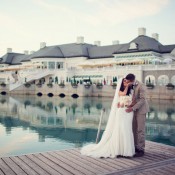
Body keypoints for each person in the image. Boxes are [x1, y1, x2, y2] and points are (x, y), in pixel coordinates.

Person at [81, 77, 135, 158]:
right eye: (124, 83)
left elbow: (133, 100)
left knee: (127, 129)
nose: (125, 84)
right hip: (121, 112)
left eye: (126, 82)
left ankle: (126, 151)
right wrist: (128, 86)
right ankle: (119, 149)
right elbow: (123, 94)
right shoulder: (120, 91)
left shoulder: (131, 91)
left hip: (129, 112)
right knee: (121, 129)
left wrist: (130, 105)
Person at [125, 73, 149, 157]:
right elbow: (135, 98)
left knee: (140, 130)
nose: (127, 83)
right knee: (134, 129)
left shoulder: (141, 86)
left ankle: (141, 150)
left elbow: (142, 100)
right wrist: (130, 105)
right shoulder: (132, 85)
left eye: (128, 82)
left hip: (141, 111)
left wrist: (132, 108)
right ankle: (135, 147)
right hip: (134, 110)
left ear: (131, 80)